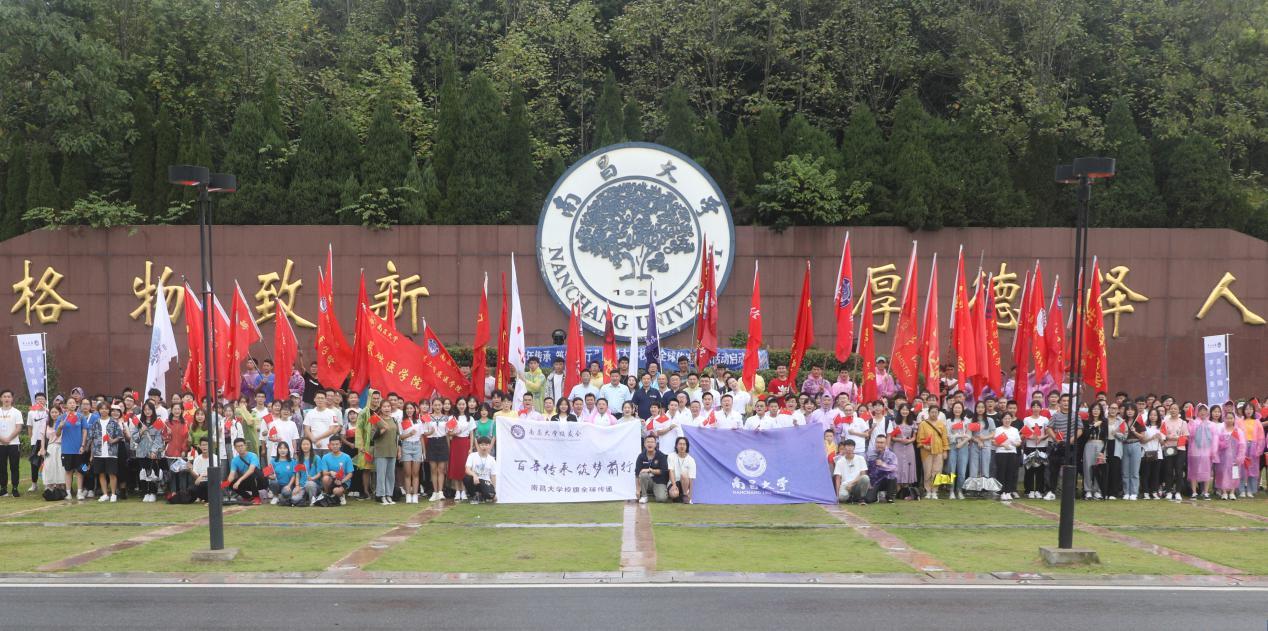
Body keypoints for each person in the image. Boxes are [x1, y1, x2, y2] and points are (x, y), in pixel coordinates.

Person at [90, 403, 125, 502]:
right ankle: (105, 494)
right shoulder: (95, 423)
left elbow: (120, 436)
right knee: (101, 474)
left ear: (109, 410)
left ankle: (113, 494)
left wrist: (112, 441)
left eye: (106, 409)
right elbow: (91, 438)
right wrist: (91, 454)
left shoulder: (113, 422)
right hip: (98, 452)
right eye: (101, 409)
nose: (104, 410)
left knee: (112, 473)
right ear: (98, 410)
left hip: (111, 452)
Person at [131, 402, 165, 502]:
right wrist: (141, 431)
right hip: (141, 451)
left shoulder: (158, 422)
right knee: (143, 472)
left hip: (153, 452)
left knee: (153, 472)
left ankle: (153, 493)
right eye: (145, 409)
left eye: (149, 409)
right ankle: (145, 492)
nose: (147, 411)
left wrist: (154, 451)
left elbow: (159, 439)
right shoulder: (139, 423)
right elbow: (134, 438)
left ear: (153, 410)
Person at [55, 401, 88, 501]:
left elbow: (84, 431)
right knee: (68, 471)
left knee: (80, 471)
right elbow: (57, 434)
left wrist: (83, 445)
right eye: (70, 403)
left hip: (79, 449)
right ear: (66, 405)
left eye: (73, 403)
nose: (72, 404)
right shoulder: (61, 417)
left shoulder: (81, 417)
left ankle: (79, 492)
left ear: (76, 405)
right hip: (67, 449)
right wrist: (60, 426)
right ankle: (68, 492)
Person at [369, 404, 400, 505]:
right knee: (381, 475)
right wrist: (382, 430)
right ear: (381, 408)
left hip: (392, 451)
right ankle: (381, 495)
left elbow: (397, 436)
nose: (387, 408)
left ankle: (389, 495)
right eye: (384, 407)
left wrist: (399, 449)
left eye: (388, 406)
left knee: (390, 475)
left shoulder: (394, 420)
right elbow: (372, 436)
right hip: (381, 451)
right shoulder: (376, 419)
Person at [1213, 410, 1246, 500]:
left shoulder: (1238, 431)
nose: (1229, 420)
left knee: (1234, 474)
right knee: (1222, 473)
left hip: (1235, 457)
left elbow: (1242, 445)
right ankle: (1224, 492)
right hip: (1222, 457)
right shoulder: (1221, 430)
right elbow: (1216, 442)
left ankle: (1232, 492)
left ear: (1234, 419)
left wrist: (1240, 456)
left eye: (1231, 418)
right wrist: (1221, 444)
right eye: (1227, 418)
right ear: (1224, 419)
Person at [448, 397, 475, 501]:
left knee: (465, 467)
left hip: (465, 443)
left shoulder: (470, 418)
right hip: (455, 443)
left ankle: (463, 491)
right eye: (459, 404)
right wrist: (455, 433)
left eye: (463, 404)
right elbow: (449, 432)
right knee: (455, 467)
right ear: (456, 405)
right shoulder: (452, 417)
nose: (461, 406)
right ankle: (457, 491)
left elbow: (472, 434)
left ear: (466, 405)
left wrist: (471, 448)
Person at [424, 397, 451, 501]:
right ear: (432, 406)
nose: (437, 407)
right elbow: (424, 432)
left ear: (442, 406)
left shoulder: (446, 418)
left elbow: (448, 433)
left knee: (441, 469)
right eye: (435, 405)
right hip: (432, 442)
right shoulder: (427, 417)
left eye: (439, 405)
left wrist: (448, 447)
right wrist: (430, 433)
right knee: (433, 469)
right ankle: (434, 492)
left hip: (442, 442)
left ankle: (440, 492)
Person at [1160, 403, 1189, 501]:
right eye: (1171, 409)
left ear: (1179, 411)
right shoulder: (1165, 422)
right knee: (1168, 470)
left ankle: (1178, 492)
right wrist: (1167, 437)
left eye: (1175, 409)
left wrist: (1177, 438)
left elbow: (1186, 437)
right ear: (1169, 410)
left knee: (1179, 471)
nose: (1173, 410)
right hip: (1169, 448)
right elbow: (1162, 435)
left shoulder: (1183, 423)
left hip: (1180, 449)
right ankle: (1168, 491)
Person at [317, 434, 355, 505]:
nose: (335, 446)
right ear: (329, 445)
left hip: (343, 481)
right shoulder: (325, 457)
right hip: (331, 480)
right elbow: (324, 473)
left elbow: (350, 474)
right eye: (333, 444)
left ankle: (341, 495)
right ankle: (327, 494)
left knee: (336, 491)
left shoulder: (347, 457)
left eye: (337, 444)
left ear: (340, 444)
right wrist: (330, 473)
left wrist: (342, 481)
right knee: (325, 478)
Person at [945, 401, 971, 500]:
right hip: (952, 446)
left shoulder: (967, 421)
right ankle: (951, 491)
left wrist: (962, 443)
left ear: (962, 409)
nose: (957, 410)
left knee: (962, 471)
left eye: (959, 408)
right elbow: (948, 436)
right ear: (952, 409)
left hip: (963, 447)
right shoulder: (948, 421)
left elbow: (969, 435)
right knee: (951, 470)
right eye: (955, 408)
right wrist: (959, 436)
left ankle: (959, 490)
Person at [399, 402, 424, 503]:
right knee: (407, 473)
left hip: (417, 446)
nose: (409, 410)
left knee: (415, 473)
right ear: (405, 410)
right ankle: (408, 495)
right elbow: (400, 437)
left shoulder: (418, 421)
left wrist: (423, 451)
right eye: (407, 408)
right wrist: (409, 434)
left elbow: (421, 436)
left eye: (411, 408)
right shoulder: (401, 421)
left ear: (414, 409)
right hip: (406, 446)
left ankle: (415, 495)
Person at [993, 412, 1022, 501]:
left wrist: (1014, 443)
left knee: (1010, 473)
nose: (1007, 420)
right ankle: (1002, 492)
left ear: (1011, 419)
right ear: (1002, 420)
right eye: (1005, 418)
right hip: (1001, 453)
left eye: (1009, 418)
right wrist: (1003, 445)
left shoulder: (1015, 430)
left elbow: (1019, 442)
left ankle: (1008, 492)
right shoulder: (998, 429)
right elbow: (994, 442)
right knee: (1001, 473)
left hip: (1012, 453)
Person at [224, 437, 263, 504]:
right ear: (235, 448)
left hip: (258, 481)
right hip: (246, 480)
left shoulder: (253, 456)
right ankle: (248, 497)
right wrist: (225, 483)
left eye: (241, 446)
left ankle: (256, 497)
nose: (240, 448)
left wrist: (239, 481)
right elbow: (232, 474)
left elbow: (251, 470)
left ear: (245, 446)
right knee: (231, 483)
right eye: (238, 446)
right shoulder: (234, 460)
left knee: (251, 475)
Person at [0, 390, 24, 496]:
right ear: (1, 398)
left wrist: (8, 438)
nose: (6, 398)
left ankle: (15, 488)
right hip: (0, 444)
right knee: (2, 467)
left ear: (12, 399)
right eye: (4, 396)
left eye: (9, 396)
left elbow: (18, 428)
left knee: (14, 467)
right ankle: (3, 488)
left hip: (14, 444)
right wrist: (2, 439)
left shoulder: (16, 412)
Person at [303, 391, 341, 457]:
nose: (320, 400)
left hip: (328, 446)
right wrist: (314, 441)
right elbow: (306, 429)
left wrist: (316, 439)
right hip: (314, 446)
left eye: (322, 398)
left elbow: (331, 430)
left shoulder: (332, 413)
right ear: (314, 399)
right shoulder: (310, 413)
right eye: (318, 398)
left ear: (325, 399)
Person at [834, 439, 870, 504]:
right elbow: (838, 478)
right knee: (842, 498)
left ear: (854, 448)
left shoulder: (860, 458)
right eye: (848, 446)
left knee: (865, 478)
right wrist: (837, 495)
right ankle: (851, 497)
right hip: (845, 485)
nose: (849, 448)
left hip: (857, 484)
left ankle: (862, 498)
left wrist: (852, 483)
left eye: (851, 446)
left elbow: (863, 473)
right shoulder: (840, 462)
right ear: (844, 447)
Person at [635, 435, 669, 504]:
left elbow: (663, 471)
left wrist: (650, 470)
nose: (650, 444)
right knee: (643, 474)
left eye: (652, 442)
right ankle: (644, 496)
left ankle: (657, 492)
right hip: (647, 480)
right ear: (644, 444)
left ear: (655, 444)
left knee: (661, 499)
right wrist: (637, 490)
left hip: (659, 481)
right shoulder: (641, 456)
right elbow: (637, 474)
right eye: (648, 442)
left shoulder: (661, 456)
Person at [464, 436, 497, 504]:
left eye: (486, 445)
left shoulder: (492, 459)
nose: (484, 447)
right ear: (478, 446)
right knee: (467, 478)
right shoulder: (472, 456)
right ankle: (474, 495)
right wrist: (474, 475)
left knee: (490, 495)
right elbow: (467, 469)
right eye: (482, 445)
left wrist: (494, 491)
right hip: (475, 480)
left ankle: (481, 496)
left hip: (485, 482)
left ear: (489, 446)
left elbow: (493, 476)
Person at [26, 392, 48, 493]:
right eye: (38, 399)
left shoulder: (49, 412)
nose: (40, 401)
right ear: (35, 401)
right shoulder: (31, 413)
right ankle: (34, 484)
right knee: (34, 463)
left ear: (45, 401)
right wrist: (31, 439)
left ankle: (47, 484)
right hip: (35, 441)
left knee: (47, 462)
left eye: (42, 399)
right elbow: (29, 427)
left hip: (47, 441)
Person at [866, 435, 898, 503]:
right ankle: (876, 496)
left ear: (885, 443)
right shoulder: (869, 454)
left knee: (893, 475)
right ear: (875, 443)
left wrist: (883, 465)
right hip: (874, 481)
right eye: (877, 442)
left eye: (881, 443)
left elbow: (894, 468)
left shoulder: (891, 454)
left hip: (886, 480)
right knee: (868, 500)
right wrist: (868, 482)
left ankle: (890, 497)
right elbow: (865, 468)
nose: (879, 445)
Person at [267, 440, 297, 505]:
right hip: (277, 485)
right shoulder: (273, 460)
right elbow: (267, 474)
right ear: (277, 450)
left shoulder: (293, 461)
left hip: (288, 486)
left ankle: (281, 497)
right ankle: (275, 496)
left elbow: (294, 475)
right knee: (273, 482)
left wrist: (289, 486)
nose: (282, 450)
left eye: (285, 448)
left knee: (286, 494)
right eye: (280, 448)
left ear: (288, 450)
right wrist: (271, 476)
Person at [667, 436, 696, 503]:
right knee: (674, 494)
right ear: (676, 446)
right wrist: (674, 485)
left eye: (684, 444)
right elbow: (671, 471)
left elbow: (691, 479)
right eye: (680, 444)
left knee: (684, 475)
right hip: (673, 482)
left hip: (685, 484)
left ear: (687, 446)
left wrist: (690, 494)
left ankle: (685, 495)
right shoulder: (671, 456)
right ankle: (679, 497)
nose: (682, 446)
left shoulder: (691, 460)